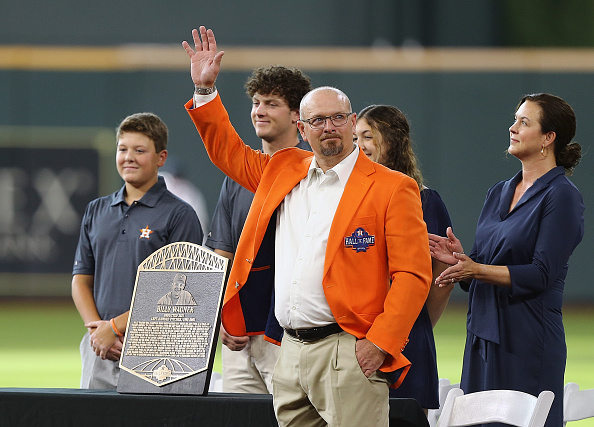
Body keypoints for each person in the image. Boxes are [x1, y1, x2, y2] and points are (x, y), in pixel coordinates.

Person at [182, 26, 432, 426]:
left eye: (337, 118)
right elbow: (228, 152)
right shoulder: (284, 167)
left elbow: (413, 275)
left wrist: (379, 344)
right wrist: (206, 90)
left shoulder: (393, 187)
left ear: (353, 123)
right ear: (302, 128)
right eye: (317, 120)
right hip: (290, 350)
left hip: (348, 350)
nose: (328, 127)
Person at [429, 93, 584, 427]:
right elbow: (483, 266)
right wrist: (461, 261)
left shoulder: (563, 196)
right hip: (482, 335)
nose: (512, 128)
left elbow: (541, 274)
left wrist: (476, 268)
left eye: (524, 122)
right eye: (515, 120)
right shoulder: (498, 191)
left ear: (548, 138)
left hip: (527, 340)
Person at [71, 112, 203, 389]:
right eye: (123, 149)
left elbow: (180, 289)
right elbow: (81, 278)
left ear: (161, 158)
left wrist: (115, 327)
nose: (129, 157)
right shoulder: (96, 210)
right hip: (101, 347)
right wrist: (98, 330)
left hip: (158, 348)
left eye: (140, 150)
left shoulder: (180, 215)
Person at [205, 65, 312, 394]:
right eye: (255, 102)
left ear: (298, 116)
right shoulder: (237, 178)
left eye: (271, 103)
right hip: (238, 333)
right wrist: (221, 314)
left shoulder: (314, 175)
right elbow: (221, 253)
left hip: (291, 334)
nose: (259, 111)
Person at [355, 104, 452, 413]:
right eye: (355, 137)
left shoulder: (424, 201)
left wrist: (413, 327)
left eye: (368, 136)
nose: (359, 146)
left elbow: (440, 280)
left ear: (392, 141)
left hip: (407, 340)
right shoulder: (344, 198)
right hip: (357, 340)